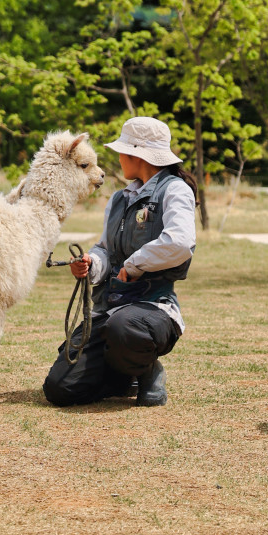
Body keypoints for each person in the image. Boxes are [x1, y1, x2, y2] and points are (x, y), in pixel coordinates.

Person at [42, 115, 197, 408]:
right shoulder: (118, 199)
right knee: (59, 388)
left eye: (122, 151)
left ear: (137, 154)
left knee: (125, 326)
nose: (118, 157)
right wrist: (91, 264)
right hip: (108, 310)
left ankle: (148, 370)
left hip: (152, 309)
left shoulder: (175, 190)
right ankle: (123, 376)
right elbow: (106, 250)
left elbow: (180, 242)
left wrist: (134, 265)